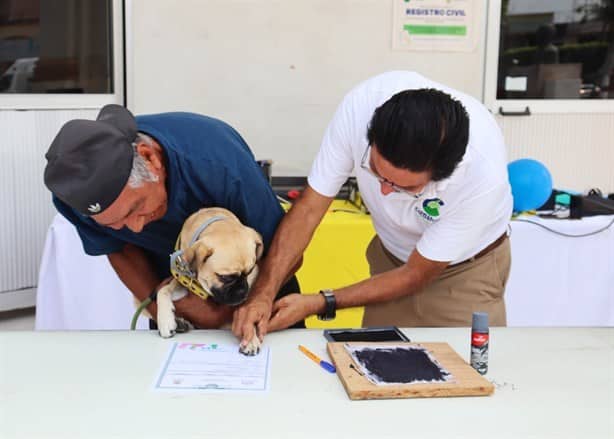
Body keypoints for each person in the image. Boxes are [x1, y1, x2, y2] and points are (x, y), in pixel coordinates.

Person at [233, 71, 512, 347]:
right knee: (380, 369)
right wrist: (263, 293)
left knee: (465, 375)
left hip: (464, 272)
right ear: (371, 136)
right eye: (377, 171)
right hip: (390, 261)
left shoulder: (482, 176)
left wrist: (320, 302)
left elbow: (416, 274)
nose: (384, 191)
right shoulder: (361, 107)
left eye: (405, 188)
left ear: (443, 174)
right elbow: (308, 210)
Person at [44, 104, 301, 329]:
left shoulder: (218, 163)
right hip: (175, 286)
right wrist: (162, 310)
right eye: (115, 224)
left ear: (150, 159)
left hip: (260, 285)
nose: (134, 228)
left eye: (136, 208)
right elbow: (119, 249)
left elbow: (287, 249)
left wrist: (228, 309)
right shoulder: (73, 198)